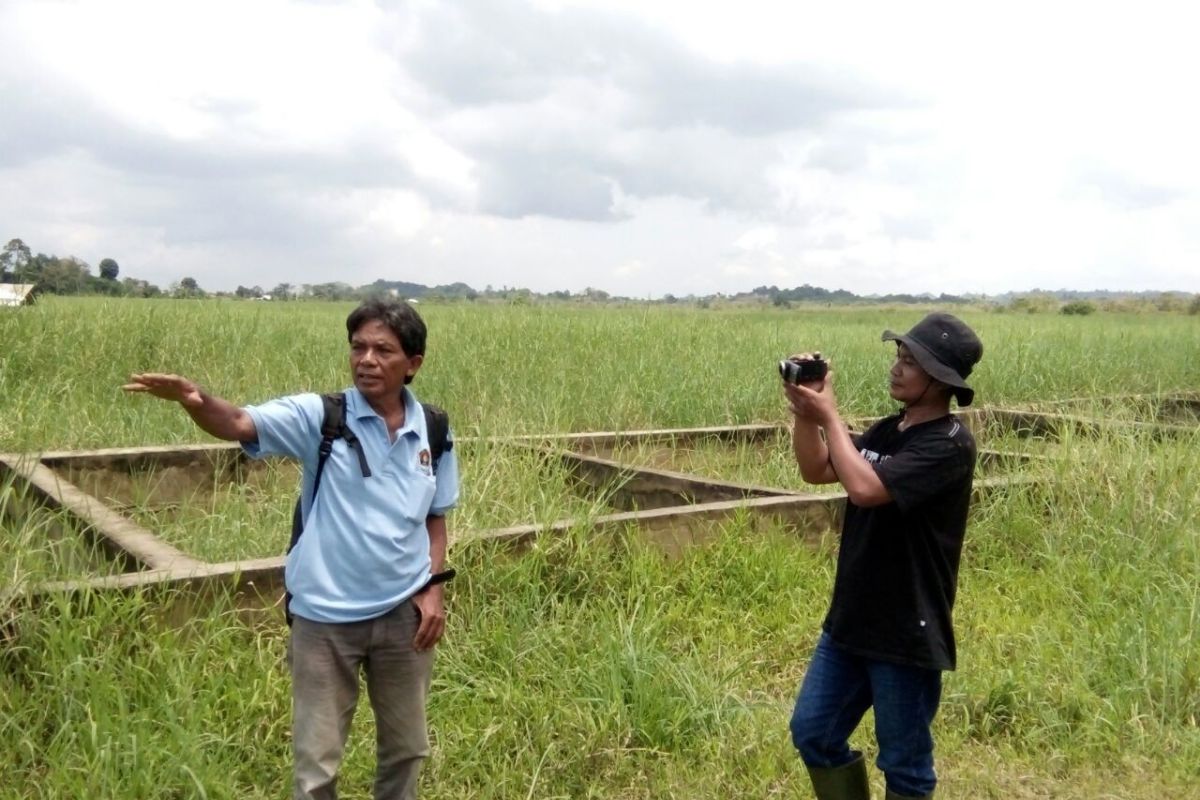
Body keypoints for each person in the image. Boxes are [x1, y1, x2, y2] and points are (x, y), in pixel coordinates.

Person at [123, 297, 459, 800]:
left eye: (382, 350)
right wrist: (195, 400)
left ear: (413, 364)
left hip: (402, 617)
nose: (366, 359)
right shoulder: (319, 416)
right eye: (358, 347)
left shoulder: (432, 429)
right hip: (324, 619)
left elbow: (435, 515)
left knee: (407, 749)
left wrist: (432, 589)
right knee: (317, 764)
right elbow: (240, 423)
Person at [783, 312, 983, 800]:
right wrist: (806, 415)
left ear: (939, 380)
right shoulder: (889, 431)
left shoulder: (948, 445)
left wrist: (830, 416)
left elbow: (866, 488)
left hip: (905, 633)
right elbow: (818, 469)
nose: (896, 367)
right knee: (814, 731)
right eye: (898, 354)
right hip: (851, 622)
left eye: (910, 361)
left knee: (904, 765)